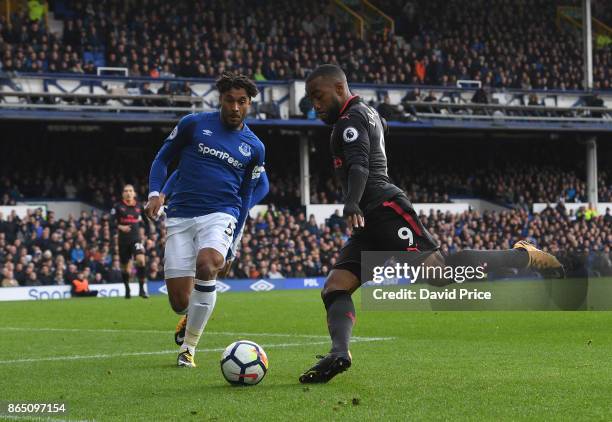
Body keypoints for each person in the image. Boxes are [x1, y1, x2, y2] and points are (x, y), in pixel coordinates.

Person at [299, 64, 565, 384]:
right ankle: (340, 353)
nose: (314, 104)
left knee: (438, 274)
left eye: (318, 95)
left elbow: (358, 166)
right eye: (310, 98)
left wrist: (352, 201)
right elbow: (381, 130)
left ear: (339, 89)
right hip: (371, 220)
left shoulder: (348, 121)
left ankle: (523, 254)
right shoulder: (368, 113)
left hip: (384, 208)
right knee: (335, 287)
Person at [145, 72, 266, 368]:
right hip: (180, 215)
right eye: (230, 100)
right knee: (179, 301)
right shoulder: (194, 124)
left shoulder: (255, 147)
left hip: (222, 212)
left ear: (250, 104)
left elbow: (249, 194)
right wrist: (155, 193)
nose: (235, 107)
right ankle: (188, 317)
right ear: (220, 99)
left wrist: (234, 242)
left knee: (208, 263)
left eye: (242, 102)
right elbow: (162, 159)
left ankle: (189, 348)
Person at [111, 184, 148, 299]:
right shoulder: (117, 207)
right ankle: (127, 288)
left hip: (136, 239)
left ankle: (142, 289)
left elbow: (146, 221)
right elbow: (111, 223)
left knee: (141, 260)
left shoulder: (139, 206)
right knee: (125, 268)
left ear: (134, 193)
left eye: (131, 191)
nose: (128, 193)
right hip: (123, 241)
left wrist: (149, 236)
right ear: (123, 194)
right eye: (126, 191)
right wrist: (120, 227)